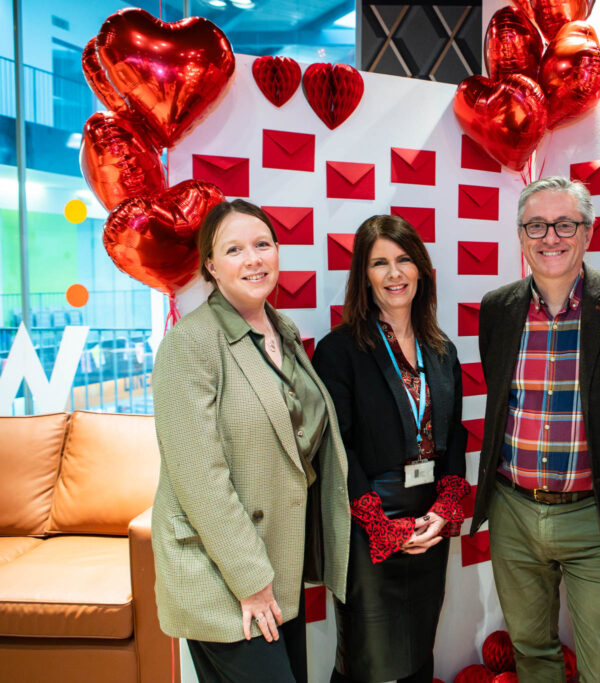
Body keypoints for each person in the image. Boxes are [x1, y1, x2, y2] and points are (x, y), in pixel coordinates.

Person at [151, 199, 350, 683]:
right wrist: (251, 582)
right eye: (234, 249)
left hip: (279, 561)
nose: (253, 258)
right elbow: (200, 478)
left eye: (263, 244)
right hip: (225, 573)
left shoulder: (282, 328)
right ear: (211, 268)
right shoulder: (191, 342)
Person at [469, 176, 600, 682]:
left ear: (588, 233)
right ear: (521, 235)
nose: (550, 237)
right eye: (536, 225)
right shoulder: (498, 308)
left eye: (564, 224)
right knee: (531, 652)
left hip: (596, 516)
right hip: (513, 513)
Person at [313, 214, 470, 683]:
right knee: (368, 661)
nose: (394, 273)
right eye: (379, 263)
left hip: (428, 522)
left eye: (404, 260)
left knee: (419, 653)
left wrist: (444, 512)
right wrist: (382, 526)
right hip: (369, 528)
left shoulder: (442, 350)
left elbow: (456, 437)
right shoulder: (338, 351)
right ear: (364, 275)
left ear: (420, 269)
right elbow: (338, 449)